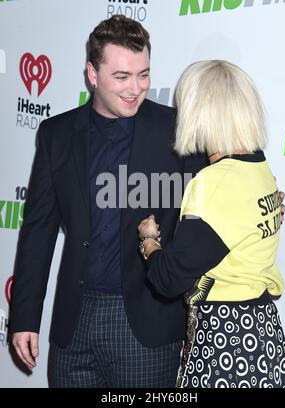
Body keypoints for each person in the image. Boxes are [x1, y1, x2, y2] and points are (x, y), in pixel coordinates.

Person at [9, 15, 210, 388]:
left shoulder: (177, 129)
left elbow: (222, 184)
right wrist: (24, 318)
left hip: (147, 324)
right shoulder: (56, 134)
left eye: (144, 74)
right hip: (74, 322)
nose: (136, 88)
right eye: (121, 77)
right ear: (92, 73)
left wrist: (258, 197)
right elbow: (38, 232)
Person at [138, 60, 285, 388]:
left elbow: (168, 278)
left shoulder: (215, 182)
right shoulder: (259, 168)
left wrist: (149, 241)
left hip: (228, 338)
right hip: (263, 333)